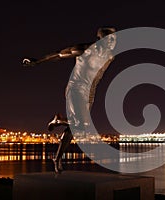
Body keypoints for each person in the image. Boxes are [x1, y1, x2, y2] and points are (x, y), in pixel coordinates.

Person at [23, 27, 117, 173]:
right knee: (83, 124)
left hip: (90, 92)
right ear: (100, 40)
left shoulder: (111, 56)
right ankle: (58, 120)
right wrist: (37, 61)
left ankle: (57, 158)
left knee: (75, 129)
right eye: (109, 39)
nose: (113, 43)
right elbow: (59, 54)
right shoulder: (84, 49)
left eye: (114, 39)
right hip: (76, 88)